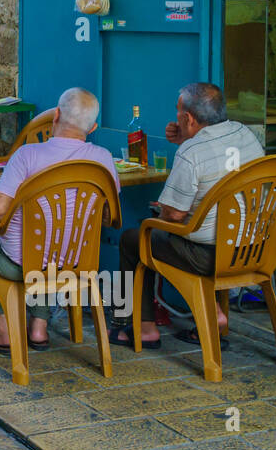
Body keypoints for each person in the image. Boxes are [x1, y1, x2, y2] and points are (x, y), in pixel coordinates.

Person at [0, 88, 119, 352]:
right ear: (92, 127)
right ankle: (38, 328)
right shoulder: (103, 159)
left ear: (56, 115)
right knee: (54, 244)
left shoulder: (28, 155)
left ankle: (3, 333)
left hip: (21, 264)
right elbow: (109, 217)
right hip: (76, 263)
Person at [112, 82, 264, 349]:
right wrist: (186, 137)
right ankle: (213, 311)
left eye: (179, 113)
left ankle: (142, 327)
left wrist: (162, 210)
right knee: (189, 230)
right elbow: (216, 159)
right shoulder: (246, 134)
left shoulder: (192, 152)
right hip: (253, 249)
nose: (176, 117)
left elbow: (174, 215)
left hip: (208, 256)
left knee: (133, 239)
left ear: (188, 118)